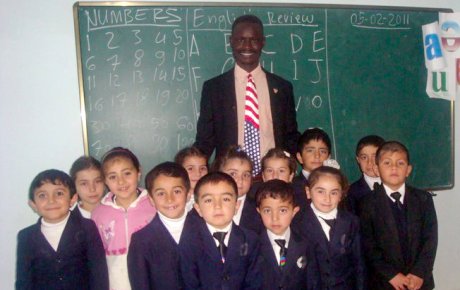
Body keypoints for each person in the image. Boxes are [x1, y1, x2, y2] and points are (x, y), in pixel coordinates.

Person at [194, 14, 300, 175]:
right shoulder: (214, 88)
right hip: (230, 178)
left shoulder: (282, 88)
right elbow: (205, 141)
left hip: (272, 178)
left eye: (254, 40)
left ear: (263, 42)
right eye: (240, 39)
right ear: (231, 41)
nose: (247, 46)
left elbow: (290, 136)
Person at [359, 141, 438, 290]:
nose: (394, 167)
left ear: (408, 169)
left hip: (420, 281)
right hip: (385, 282)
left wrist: (419, 273)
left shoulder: (423, 199)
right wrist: (391, 275)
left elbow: (430, 240)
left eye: (400, 163)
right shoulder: (367, 204)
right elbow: (368, 246)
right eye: (387, 163)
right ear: (377, 169)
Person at [16, 169, 108, 290]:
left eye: (59, 193)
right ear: (33, 204)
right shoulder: (26, 236)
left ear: (73, 199)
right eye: (42, 195)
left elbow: (99, 275)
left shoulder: (87, 227)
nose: (51, 200)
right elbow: (24, 281)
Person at [179, 172, 262, 289]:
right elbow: (189, 284)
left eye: (226, 199)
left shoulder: (251, 239)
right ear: (198, 209)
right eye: (208, 200)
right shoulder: (189, 242)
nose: (217, 206)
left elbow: (254, 283)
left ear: (236, 205)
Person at [91, 147, 156, 290]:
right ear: (105, 181)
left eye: (127, 173)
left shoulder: (154, 205)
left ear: (138, 173)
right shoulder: (98, 214)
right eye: (113, 177)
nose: (121, 182)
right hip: (116, 283)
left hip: (151, 279)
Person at [293, 166, 366, 290]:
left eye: (334, 192)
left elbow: (359, 263)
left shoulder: (351, 221)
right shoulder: (297, 222)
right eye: (320, 191)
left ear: (342, 195)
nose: (327, 198)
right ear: (308, 192)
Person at [128, 162, 193, 290]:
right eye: (161, 193)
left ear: (188, 194)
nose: (170, 199)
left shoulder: (204, 229)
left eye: (177, 191)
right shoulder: (141, 241)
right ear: (151, 199)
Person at [255, 179, 320, 290]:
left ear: (294, 212)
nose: (275, 218)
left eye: (283, 210)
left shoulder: (305, 244)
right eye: (267, 210)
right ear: (259, 211)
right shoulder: (253, 246)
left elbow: (312, 282)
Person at [212, 145, 263, 234]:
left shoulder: (259, 210)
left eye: (246, 175)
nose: (240, 180)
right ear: (219, 175)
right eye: (233, 174)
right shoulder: (207, 206)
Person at [293, 128, 332, 210]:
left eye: (322, 151)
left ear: (328, 157)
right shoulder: (291, 188)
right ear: (299, 157)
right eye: (310, 151)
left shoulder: (337, 185)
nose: (317, 156)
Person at [347, 135, 385, 214]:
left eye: (374, 157)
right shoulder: (351, 192)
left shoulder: (394, 186)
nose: (369, 162)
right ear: (358, 160)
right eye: (364, 157)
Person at [174, 146, 208, 212]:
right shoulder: (173, 196)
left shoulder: (213, 195)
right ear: (179, 171)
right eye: (190, 169)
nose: (198, 174)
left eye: (202, 168)